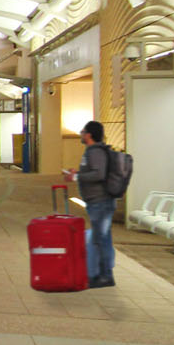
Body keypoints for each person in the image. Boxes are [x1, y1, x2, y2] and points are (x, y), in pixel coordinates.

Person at [62, 121, 115, 288]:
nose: (81, 135)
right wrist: (77, 173)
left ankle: (105, 276)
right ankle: (101, 274)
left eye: (83, 131)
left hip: (101, 202)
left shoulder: (95, 152)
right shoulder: (93, 151)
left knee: (102, 240)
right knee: (101, 238)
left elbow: (99, 174)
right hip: (97, 202)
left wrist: (77, 177)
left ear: (89, 135)